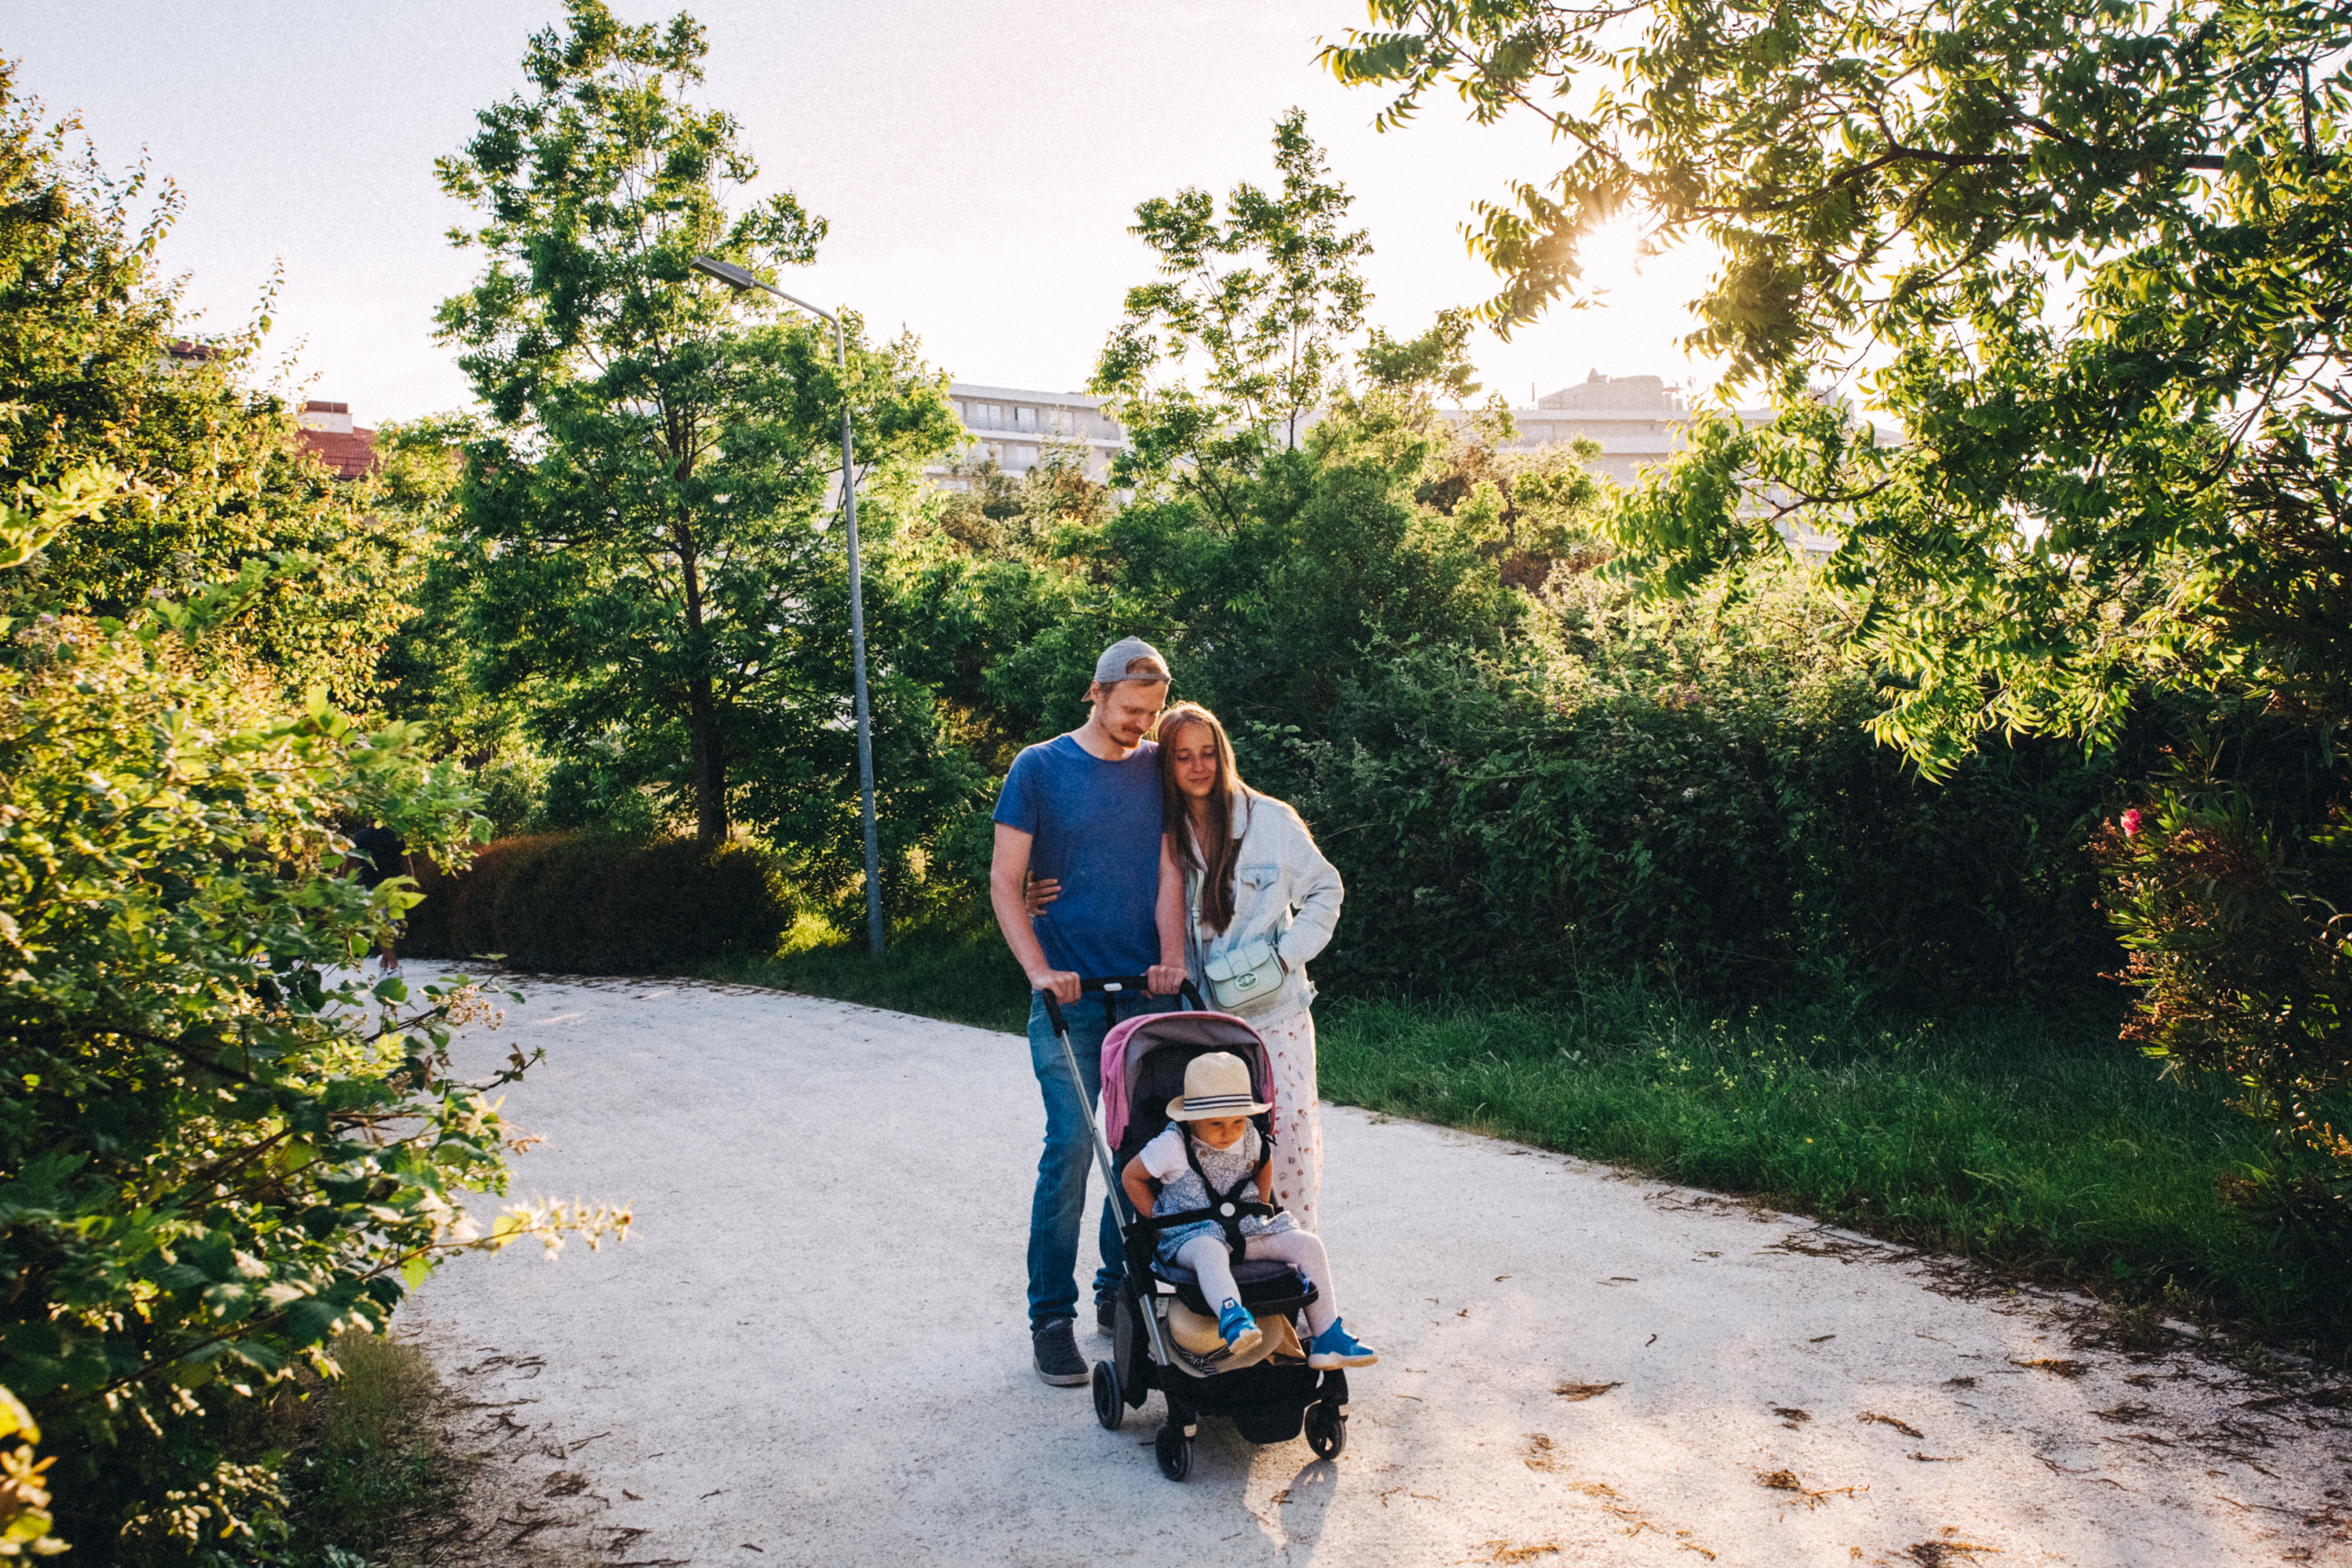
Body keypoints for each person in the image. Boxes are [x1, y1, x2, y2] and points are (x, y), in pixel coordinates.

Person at [989, 636, 1189, 1386]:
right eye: (1133, 710)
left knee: (1139, 1151)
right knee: (1073, 1146)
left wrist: (1170, 960)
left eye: (1154, 712)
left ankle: (1118, 1291)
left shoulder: (1155, 771)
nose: (1143, 724)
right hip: (1067, 998)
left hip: (1143, 992)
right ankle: (1050, 1316)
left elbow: (1169, 871)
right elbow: (1007, 881)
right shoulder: (1038, 768)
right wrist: (1041, 969)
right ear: (1096, 692)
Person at [1157, 701, 1343, 1235]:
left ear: (1223, 754)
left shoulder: (1269, 820)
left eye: (1208, 753)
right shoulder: (1168, 836)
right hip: (1203, 1021)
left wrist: (1285, 957)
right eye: (1183, 757)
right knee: (1218, 1146)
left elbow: (1326, 889)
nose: (1198, 767)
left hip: (1275, 1015)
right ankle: (1232, 1268)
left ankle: (1300, 1265)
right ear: (1167, 766)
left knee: (1286, 1137)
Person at [1120, 1052, 1376, 1368]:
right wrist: (1157, 1220)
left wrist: (1261, 1205)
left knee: (1309, 1245)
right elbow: (1131, 1176)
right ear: (1191, 1119)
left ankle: (1326, 1336)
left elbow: (1263, 1162)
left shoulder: (1250, 1136)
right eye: (1216, 1123)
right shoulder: (1172, 1144)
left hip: (1248, 1229)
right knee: (1209, 1252)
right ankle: (1233, 1317)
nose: (1229, 1132)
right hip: (1192, 1235)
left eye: (1237, 1121)